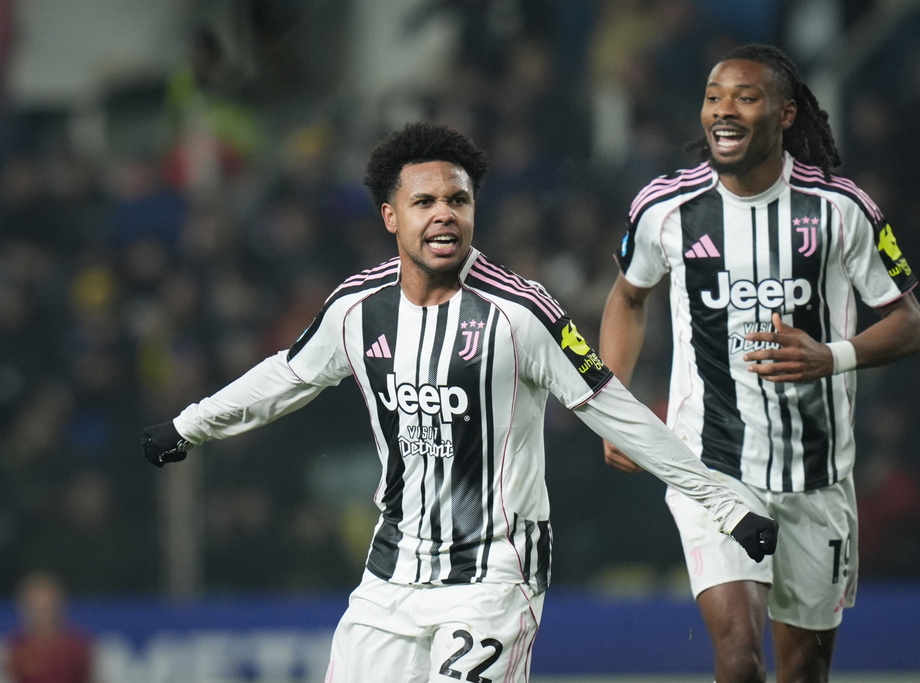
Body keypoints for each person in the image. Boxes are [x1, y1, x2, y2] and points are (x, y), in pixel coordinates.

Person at [141, 121, 778, 682]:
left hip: (494, 577)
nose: (443, 213)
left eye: (458, 200)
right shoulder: (357, 312)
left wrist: (725, 505)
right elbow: (283, 379)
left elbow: (616, 410)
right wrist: (188, 426)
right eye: (424, 202)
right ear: (391, 216)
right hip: (392, 574)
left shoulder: (521, 314)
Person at [599, 44, 920, 683]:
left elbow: (912, 325)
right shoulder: (666, 209)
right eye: (713, 96)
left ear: (784, 113)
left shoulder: (841, 209)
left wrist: (830, 356)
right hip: (712, 468)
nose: (723, 111)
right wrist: (615, 403)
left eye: (745, 97)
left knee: (802, 673)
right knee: (738, 659)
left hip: (818, 473)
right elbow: (628, 296)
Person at [4, 571, 94, 683]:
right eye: (35, 608)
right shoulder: (10, 650)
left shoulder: (81, 647)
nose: (42, 615)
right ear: (22, 608)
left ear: (60, 606)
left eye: (48, 608)